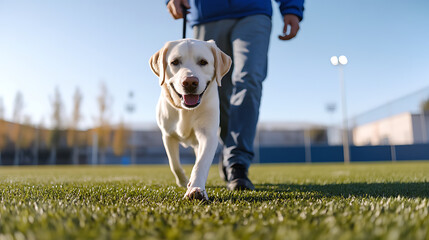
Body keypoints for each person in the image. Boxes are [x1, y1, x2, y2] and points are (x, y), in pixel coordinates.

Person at [166, 0, 304, 190]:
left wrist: (291, 7)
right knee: (212, 87)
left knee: (249, 79)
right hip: (207, 14)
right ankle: (229, 147)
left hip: (254, 11)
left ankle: (237, 162)